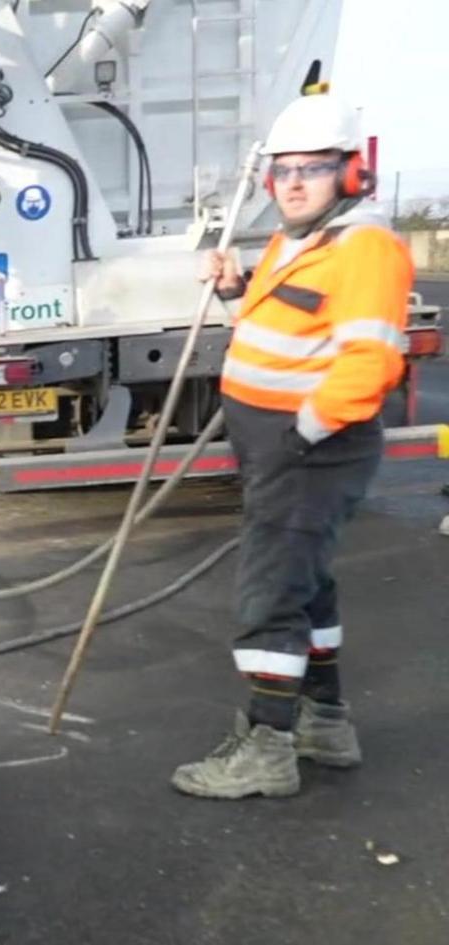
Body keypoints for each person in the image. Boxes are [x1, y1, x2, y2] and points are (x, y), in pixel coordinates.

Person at [172, 94, 412, 800]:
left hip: (311, 450)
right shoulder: (297, 240)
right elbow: (278, 323)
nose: (296, 181)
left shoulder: (365, 247)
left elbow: (369, 366)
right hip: (278, 446)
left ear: (351, 173)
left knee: (270, 592)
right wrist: (233, 289)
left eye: (314, 168)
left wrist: (297, 435)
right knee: (306, 582)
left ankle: (267, 747)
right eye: (284, 169)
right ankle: (325, 723)